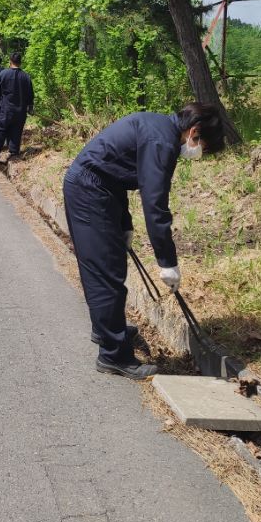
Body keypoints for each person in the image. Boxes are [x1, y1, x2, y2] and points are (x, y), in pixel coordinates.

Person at [62, 103, 225, 379]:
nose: (198, 152)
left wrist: (124, 224)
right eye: (203, 146)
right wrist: (167, 262)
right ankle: (113, 355)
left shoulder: (159, 127)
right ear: (194, 131)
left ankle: (108, 330)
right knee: (106, 273)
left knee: (111, 266)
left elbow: (117, 173)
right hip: (90, 192)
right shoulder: (162, 142)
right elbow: (155, 204)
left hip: (99, 189)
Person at [0, 51, 34, 162]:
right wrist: (30, 107)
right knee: (16, 130)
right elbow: (30, 94)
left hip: (5, 108)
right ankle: (13, 152)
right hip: (20, 110)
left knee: (0, 129)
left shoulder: (3, 74)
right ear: (20, 62)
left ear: (10, 61)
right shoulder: (26, 76)